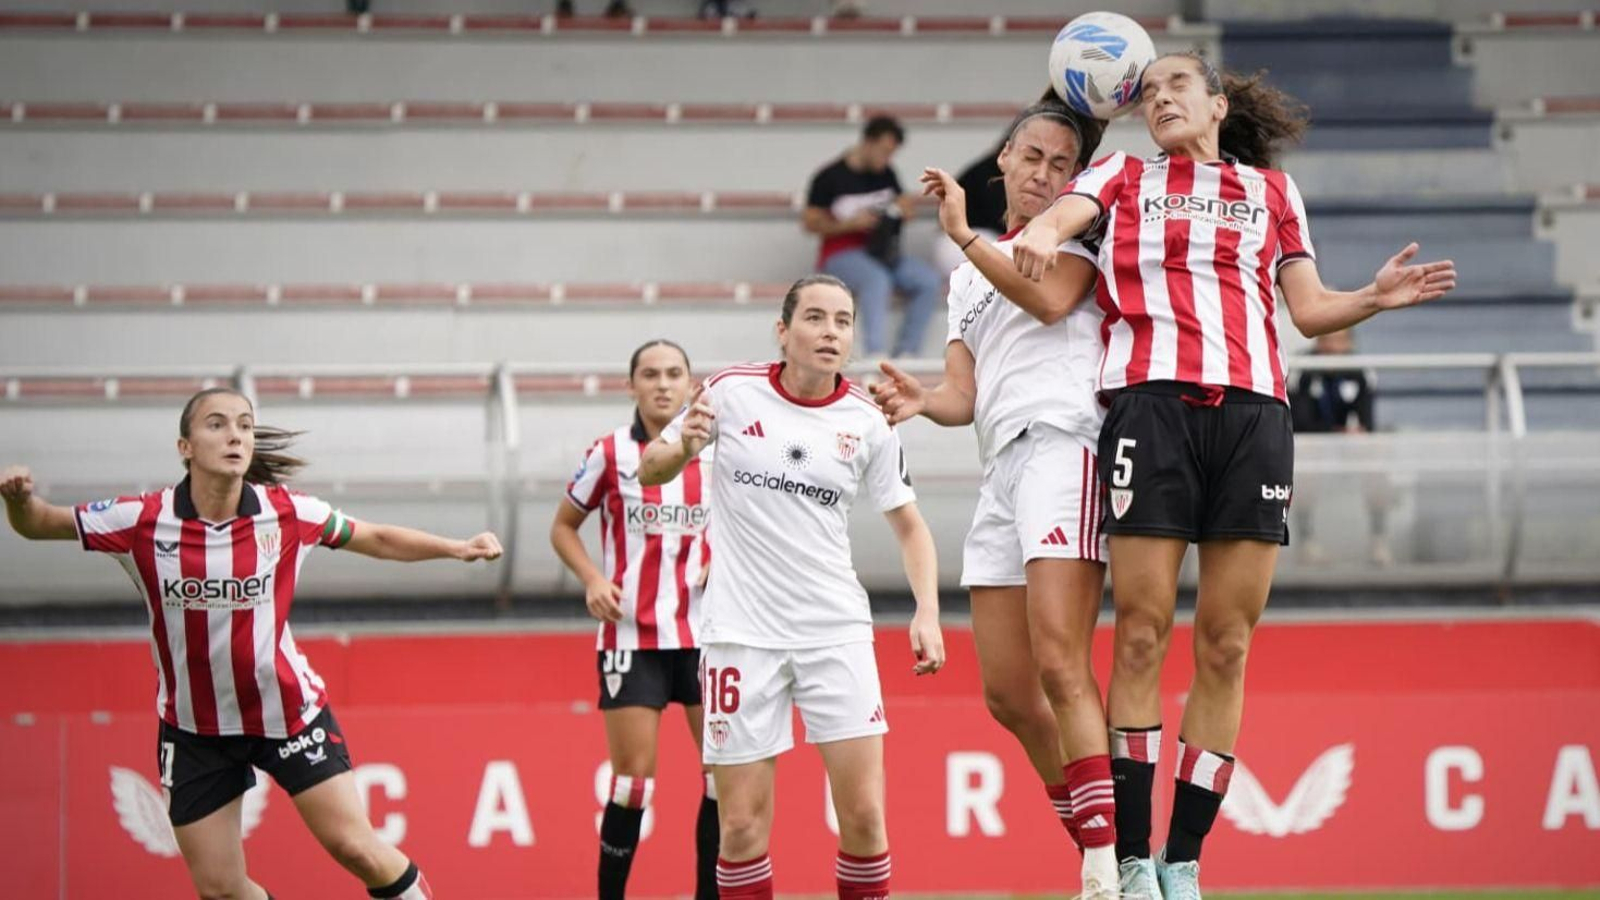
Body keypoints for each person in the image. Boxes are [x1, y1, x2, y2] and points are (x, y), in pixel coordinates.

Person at [1010, 53, 1457, 897]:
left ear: (1216, 104)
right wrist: (1040, 229)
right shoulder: (1119, 175)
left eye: (1178, 84)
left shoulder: (1273, 196)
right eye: (1149, 92)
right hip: (1150, 409)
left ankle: (1184, 861)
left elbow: (1311, 308)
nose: (1161, 98)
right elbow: (1064, 215)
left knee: (1227, 642)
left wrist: (1373, 296)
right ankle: (1134, 860)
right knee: (1140, 634)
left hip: (1255, 419)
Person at [0, 388, 503, 900]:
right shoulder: (141, 521)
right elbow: (40, 524)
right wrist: (18, 501)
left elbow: (373, 537)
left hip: (286, 713)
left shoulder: (287, 513)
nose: (235, 435)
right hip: (196, 729)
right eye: (216, 425)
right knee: (220, 890)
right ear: (185, 447)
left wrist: (456, 548)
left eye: (244, 424)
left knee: (357, 849)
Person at [869, 95, 1123, 896]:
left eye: (1062, 164)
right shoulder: (966, 279)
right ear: (1003, 162)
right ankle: (1100, 837)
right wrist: (918, 402)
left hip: (1065, 447)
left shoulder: (1081, 233)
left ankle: (1109, 863)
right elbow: (963, 395)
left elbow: (1048, 299)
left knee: (1060, 663)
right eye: (1033, 158)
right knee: (1009, 694)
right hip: (1001, 465)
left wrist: (964, 236)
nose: (1046, 175)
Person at [638, 274, 945, 899]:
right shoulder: (729, 393)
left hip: (835, 634)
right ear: (783, 331)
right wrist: (685, 447)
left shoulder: (868, 421)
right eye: (814, 318)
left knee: (863, 818)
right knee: (743, 828)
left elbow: (911, 527)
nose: (830, 332)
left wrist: (928, 612)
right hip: (739, 637)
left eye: (842, 320)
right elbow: (651, 467)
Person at [550, 339, 719, 899]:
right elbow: (563, 527)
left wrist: (719, 561)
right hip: (632, 634)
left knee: (722, 778)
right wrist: (594, 580)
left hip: (707, 636)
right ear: (632, 386)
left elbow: (749, 526)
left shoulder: (720, 451)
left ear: (693, 385)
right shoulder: (610, 452)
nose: (663, 384)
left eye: (674, 373)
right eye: (650, 374)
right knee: (631, 784)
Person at [803, 116, 945, 359]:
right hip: (841, 253)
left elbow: (905, 205)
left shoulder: (886, 173)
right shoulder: (829, 177)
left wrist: (898, 211)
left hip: (882, 251)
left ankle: (907, 352)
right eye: (884, 151)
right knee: (876, 280)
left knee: (927, 280)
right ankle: (874, 352)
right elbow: (810, 222)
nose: (887, 158)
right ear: (868, 143)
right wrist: (850, 224)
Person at [1288, 329, 1392, 566]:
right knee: (1304, 455)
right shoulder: (1301, 369)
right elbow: (1299, 422)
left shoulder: (1360, 371)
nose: (1332, 347)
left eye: (1338, 340)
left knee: (1376, 453)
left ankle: (1378, 540)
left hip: (1346, 446)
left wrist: (1356, 435)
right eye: (1326, 340)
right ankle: (1307, 542)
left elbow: (1367, 422)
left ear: (1349, 343)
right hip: (1310, 445)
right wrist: (1335, 433)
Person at [928, 141, 1009, 277]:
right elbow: (1000, 219)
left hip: (967, 241)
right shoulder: (988, 174)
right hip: (959, 244)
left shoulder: (988, 169)